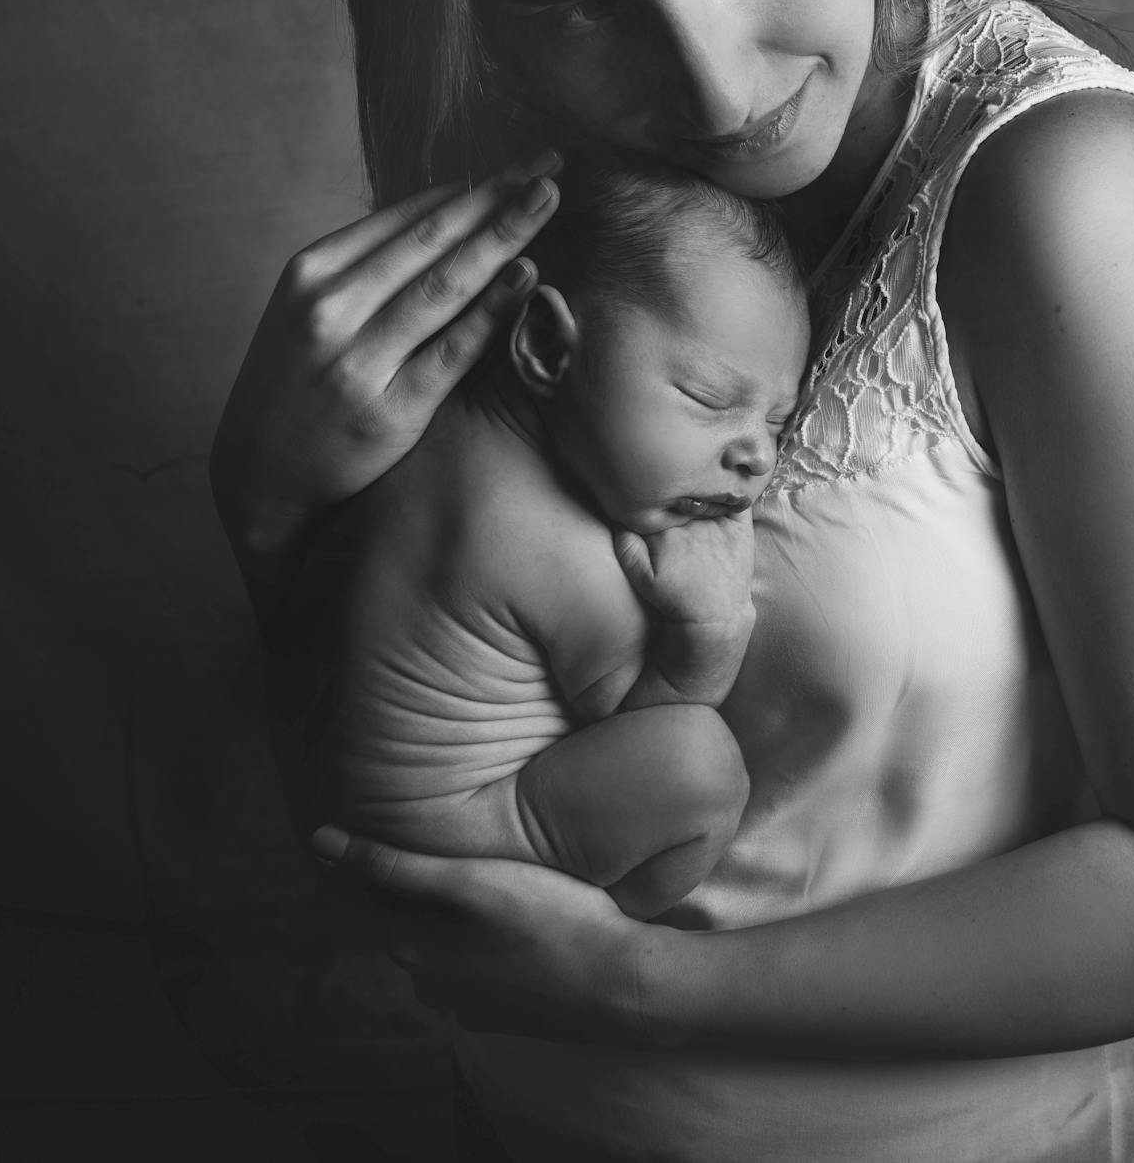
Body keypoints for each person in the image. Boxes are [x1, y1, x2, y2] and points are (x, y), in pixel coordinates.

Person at [210, 0, 1134, 1158]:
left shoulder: (1070, 200)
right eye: (582, 11)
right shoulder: (542, 197)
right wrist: (271, 514)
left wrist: (645, 988)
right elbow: (402, 776)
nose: (713, 85)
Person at [281, 159, 807, 924]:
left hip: (344, 792)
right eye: (709, 399)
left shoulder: (431, 437)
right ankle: (611, 925)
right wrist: (710, 635)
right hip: (461, 835)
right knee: (697, 762)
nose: (754, 453)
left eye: (777, 423)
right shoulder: (552, 545)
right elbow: (639, 722)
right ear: (548, 348)